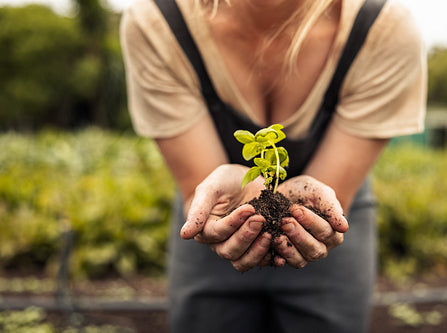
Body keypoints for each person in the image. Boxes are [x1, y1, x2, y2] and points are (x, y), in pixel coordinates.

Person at [120, 0, 427, 331]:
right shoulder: (159, 22)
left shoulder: (382, 29)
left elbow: (328, 200)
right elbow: (201, 190)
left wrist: (291, 206)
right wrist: (233, 194)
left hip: (325, 225)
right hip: (217, 216)